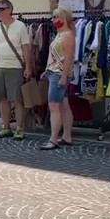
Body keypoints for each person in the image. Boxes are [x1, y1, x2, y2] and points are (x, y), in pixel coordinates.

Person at [0, 0, 32, 140]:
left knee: (18, 99)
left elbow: (26, 48)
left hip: (15, 67)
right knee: (2, 99)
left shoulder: (20, 26)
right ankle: (5, 127)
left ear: (9, 10)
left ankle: (19, 128)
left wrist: (28, 67)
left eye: (1, 9)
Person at [40, 8, 75, 150]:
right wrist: (47, 70)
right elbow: (55, 56)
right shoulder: (60, 34)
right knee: (63, 105)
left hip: (59, 74)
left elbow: (68, 58)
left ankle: (53, 138)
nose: (53, 20)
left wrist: (63, 76)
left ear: (63, 18)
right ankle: (66, 135)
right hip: (55, 72)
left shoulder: (66, 35)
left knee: (54, 106)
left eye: (56, 17)